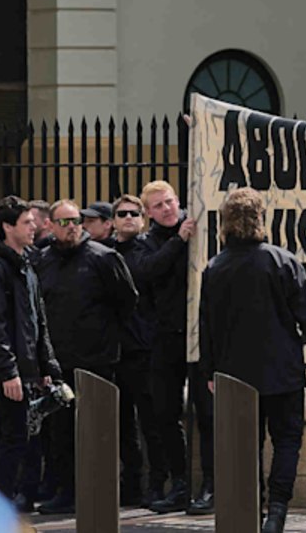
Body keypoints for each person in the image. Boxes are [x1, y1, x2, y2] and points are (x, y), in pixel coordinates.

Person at [199, 187, 306, 533]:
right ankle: (276, 512)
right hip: (281, 370)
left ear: (224, 224)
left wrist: (208, 371)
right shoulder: (282, 261)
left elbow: (206, 327)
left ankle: (250, 507)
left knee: (246, 445)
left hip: (234, 373)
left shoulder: (214, 268)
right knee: (287, 441)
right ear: (261, 219)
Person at [35, 200, 137, 514]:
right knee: (60, 433)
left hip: (97, 361)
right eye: (63, 221)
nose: (71, 226)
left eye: (76, 220)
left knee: (98, 429)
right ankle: (67, 491)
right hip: (58, 362)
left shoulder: (104, 258)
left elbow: (127, 301)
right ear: (50, 225)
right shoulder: (43, 261)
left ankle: (104, 489)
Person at [0, 196, 62, 500]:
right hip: (8, 373)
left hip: (25, 369)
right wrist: (9, 372)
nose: (34, 227)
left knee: (14, 436)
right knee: (12, 438)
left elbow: (37, 321)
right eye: (26, 222)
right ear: (7, 227)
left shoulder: (26, 266)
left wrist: (45, 367)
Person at [134, 180, 213, 515]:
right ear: (148, 213)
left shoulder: (200, 226)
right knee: (164, 412)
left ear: (178, 200)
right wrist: (178, 242)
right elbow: (147, 272)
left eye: (169, 202)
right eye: (158, 206)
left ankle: (211, 484)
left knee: (207, 412)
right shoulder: (147, 243)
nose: (167, 209)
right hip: (166, 337)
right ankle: (179, 482)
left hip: (201, 335)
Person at [113, 194, 168, 508]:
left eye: (135, 213)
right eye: (122, 213)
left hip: (145, 348)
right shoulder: (106, 252)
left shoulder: (147, 250)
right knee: (122, 424)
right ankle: (131, 484)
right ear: (114, 219)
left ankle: (157, 484)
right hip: (116, 350)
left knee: (152, 422)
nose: (129, 218)